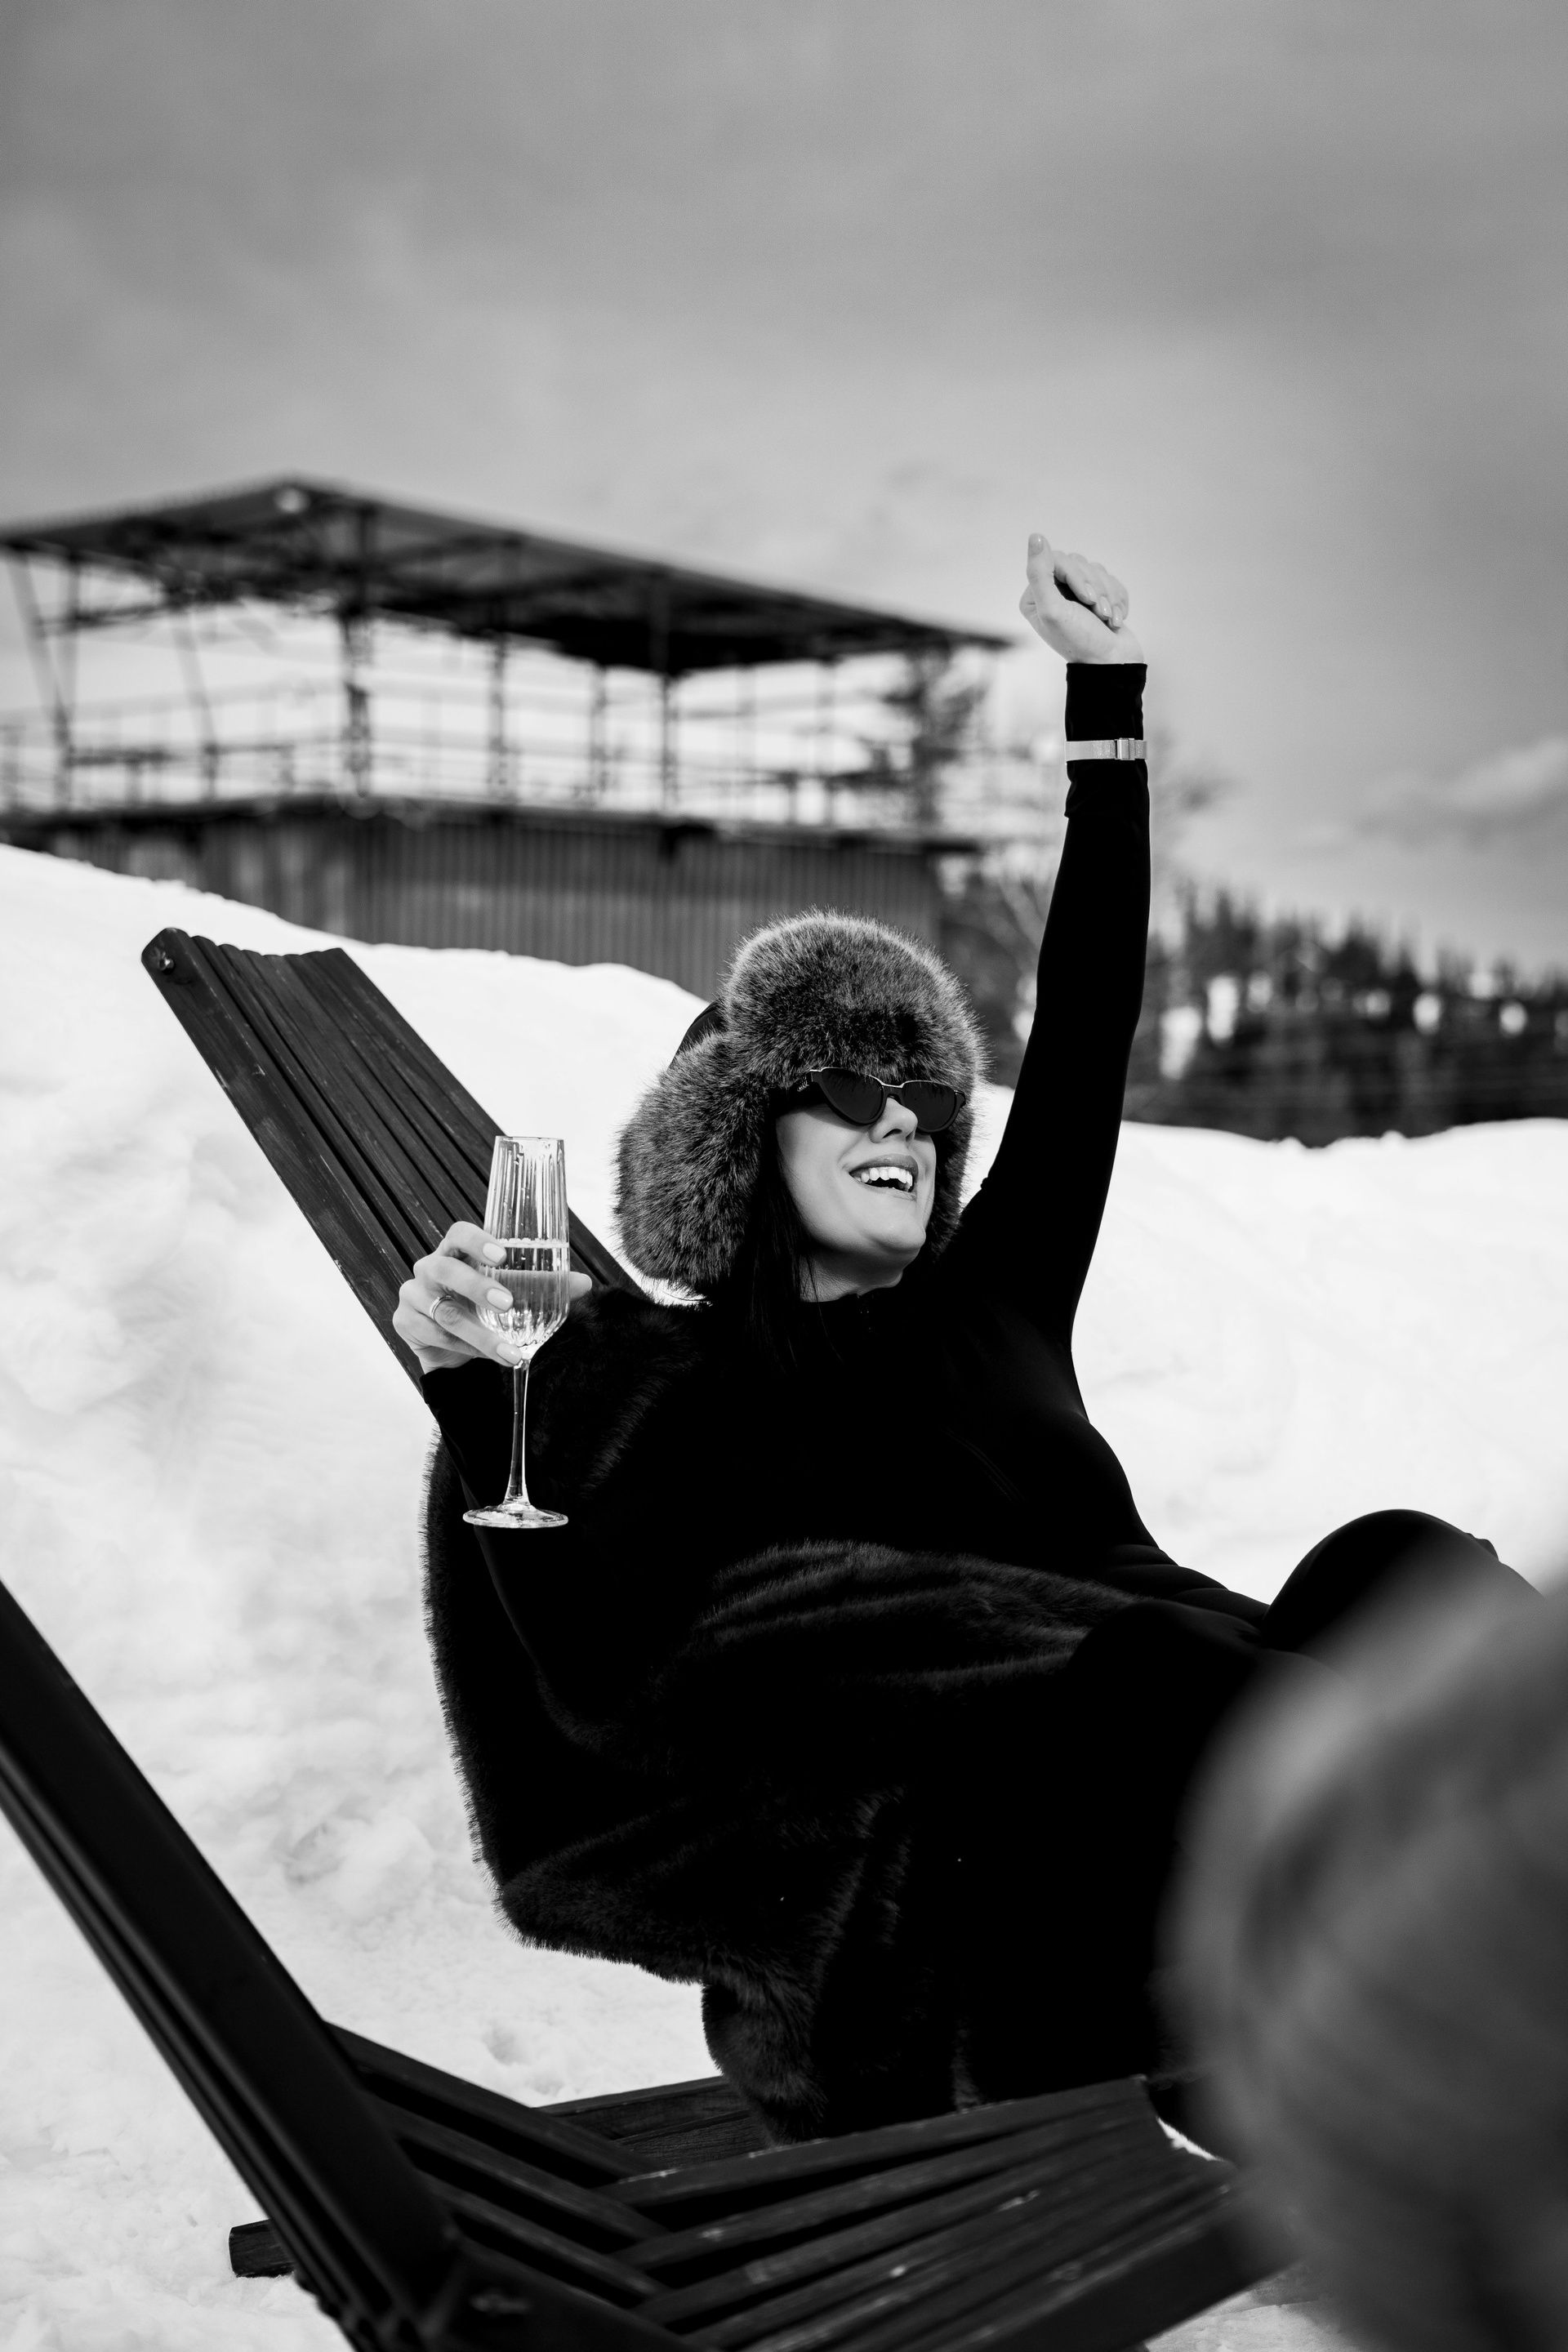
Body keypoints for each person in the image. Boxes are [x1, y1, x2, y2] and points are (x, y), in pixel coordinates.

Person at [394, 537, 1527, 2144]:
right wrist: (487, 1388)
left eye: (925, 1101)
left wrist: (1105, 707)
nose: (905, 1127)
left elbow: (1087, 1023)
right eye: (852, 1092)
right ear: (741, 1134)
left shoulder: (998, 1293)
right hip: (1021, 1894)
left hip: (1226, 1753)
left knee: (1403, 1565)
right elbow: (611, 1670)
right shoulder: (688, 1383)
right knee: (1186, 1691)